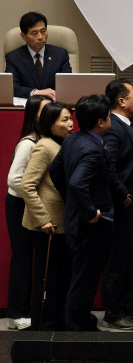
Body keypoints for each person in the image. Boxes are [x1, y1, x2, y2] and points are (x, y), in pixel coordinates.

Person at [49, 95, 118, 331]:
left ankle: (81, 322)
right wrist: (89, 211)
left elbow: (55, 171)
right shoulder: (93, 149)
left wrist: (72, 201)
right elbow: (77, 184)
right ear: (100, 122)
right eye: (109, 116)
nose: (110, 120)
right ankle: (77, 330)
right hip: (89, 226)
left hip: (74, 221)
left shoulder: (72, 139)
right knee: (84, 280)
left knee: (81, 276)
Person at [100, 80, 133, 330]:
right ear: (121, 101)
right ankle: (113, 313)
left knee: (132, 257)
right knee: (118, 261)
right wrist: (121, 193)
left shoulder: (128, 123)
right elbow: (107, 166)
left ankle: (128, 305)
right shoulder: (114, 128)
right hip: (122, 206)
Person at [20, 102, 73, 330]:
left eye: (71, 118)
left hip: (60, 223)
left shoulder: (60, 143)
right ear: (50, 124)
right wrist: (43, 218)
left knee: (58, 278)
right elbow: (27, 185)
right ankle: (43, 327)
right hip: (48, 226)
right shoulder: (44, 146)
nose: (70, 123)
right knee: (47, 278)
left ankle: (56, 323)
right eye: (64, 119)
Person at [5, 95, 52, 330]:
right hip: (20, 205)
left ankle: (31, 311)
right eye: (45, 110)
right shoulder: (28, 142)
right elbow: (14, 179)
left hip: (30, 204)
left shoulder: (44, 139)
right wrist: (35, 199)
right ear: (34, 116)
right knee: (22, 259)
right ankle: (16, 314)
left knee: (36, 260)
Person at [5, 12, 72, 99]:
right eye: (34, 33)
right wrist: (36, 92)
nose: (40, 37)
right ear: (23, 36)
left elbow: (68, 84)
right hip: (28, 103)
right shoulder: (13, 58)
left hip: (54, 104)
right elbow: (12, 88)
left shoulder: (60, 54)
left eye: (43, 31)